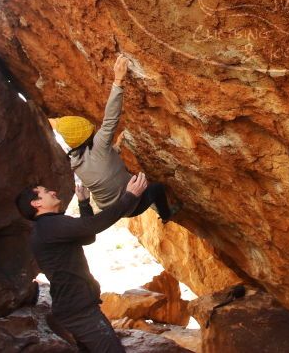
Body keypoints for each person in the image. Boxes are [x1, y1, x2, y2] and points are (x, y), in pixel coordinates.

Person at [15, 174, 148, 352]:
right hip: (79, 311)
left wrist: (84, 203)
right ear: (36, 203)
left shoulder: (47, 227)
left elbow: (87, 237)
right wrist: (129, 197)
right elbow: (93, 226)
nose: (53, 192)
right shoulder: (49, 226)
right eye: (46, 192)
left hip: (75, 307)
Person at [50, 55, 180, 222]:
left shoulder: (75, 162)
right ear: (87, 136)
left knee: (130, 177)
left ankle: (152, 204)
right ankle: (166, 215)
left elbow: (103, 166)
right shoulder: (99, 146)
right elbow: (111, 118)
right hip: (131, 205)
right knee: (157, 188)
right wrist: (118, 79)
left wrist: (117, 146)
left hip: (110, 210)